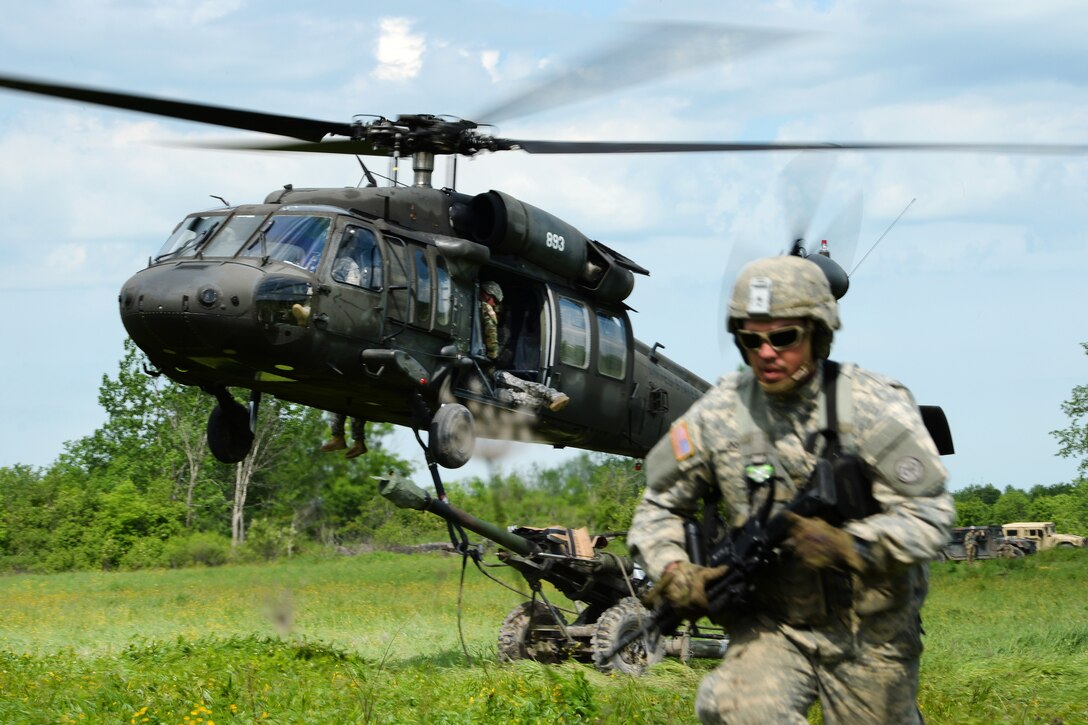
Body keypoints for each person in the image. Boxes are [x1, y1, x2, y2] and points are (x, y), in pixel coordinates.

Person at [627, 255, 955, 725]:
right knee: (733, 708)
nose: (766, 352)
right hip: (773, 626)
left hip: (870, 631)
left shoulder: (871, 405)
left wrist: (850, 545)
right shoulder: (718, 412)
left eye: (783, 338)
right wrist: (674, 568)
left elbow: (930, 516)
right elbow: (658, 506)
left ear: (817, 334)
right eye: (751, 340)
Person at [479, 281, 569, 413]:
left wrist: (491, 360)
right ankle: (550, 396)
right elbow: (492, 347)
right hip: (486, 371)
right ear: (487, 295)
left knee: (509, 390)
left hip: (483, 372)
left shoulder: (481, 307)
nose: (493, 305)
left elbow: (491, 346)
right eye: (494, 301)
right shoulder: (485, 309)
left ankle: (551, 396)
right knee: (511, 389)